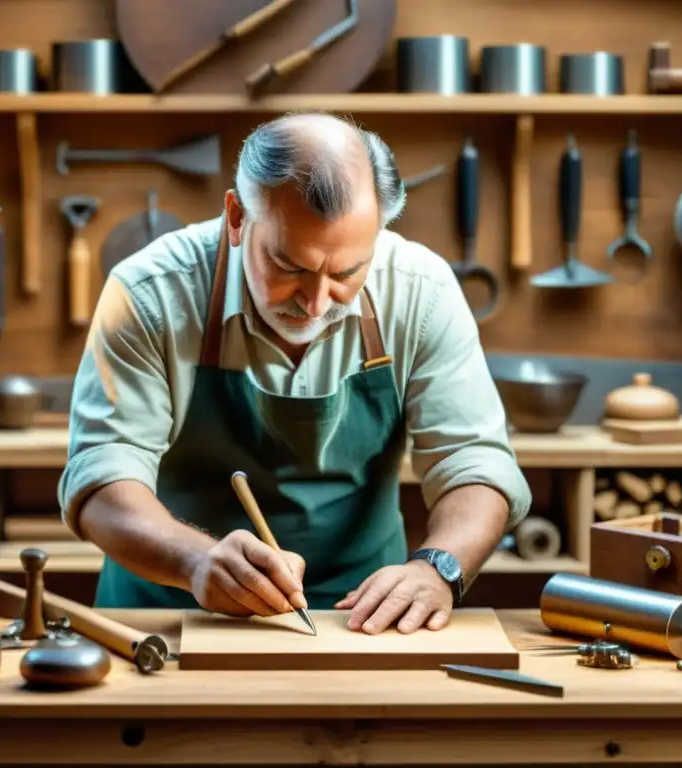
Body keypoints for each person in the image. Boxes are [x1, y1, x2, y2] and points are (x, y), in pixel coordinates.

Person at [57, 112, 532, 635]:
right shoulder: (147, 294)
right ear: (237, 218)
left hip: (364, 622)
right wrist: (196, 562)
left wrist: (438, 567)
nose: (316, 303)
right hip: (164, 616)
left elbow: (475, 463)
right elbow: (101, 482)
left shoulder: (423, 291)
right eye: (289, 267)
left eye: (348, 272)